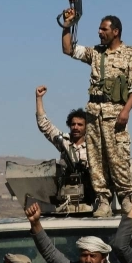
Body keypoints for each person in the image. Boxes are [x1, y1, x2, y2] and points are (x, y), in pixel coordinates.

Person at [60, 10, 132, 217]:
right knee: (96, 159)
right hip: (94, 114)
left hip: (115, 115)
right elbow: (68, 49)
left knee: (118, 159)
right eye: (99, 28)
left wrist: (126, 111)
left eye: (103, 29)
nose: (99, 32)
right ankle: (103, 200)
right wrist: (67, 26)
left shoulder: (131, 53)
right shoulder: (96, 53)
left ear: (115, 31)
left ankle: (125, 198)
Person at [36, 85, 92, 213]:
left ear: (86, 127)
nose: (76, 127)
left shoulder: (93, 146)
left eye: (80, 124)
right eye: (73, 124)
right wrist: (39, 98)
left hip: (89, 198)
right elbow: (45, 125)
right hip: (66, 197)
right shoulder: (64, 142)